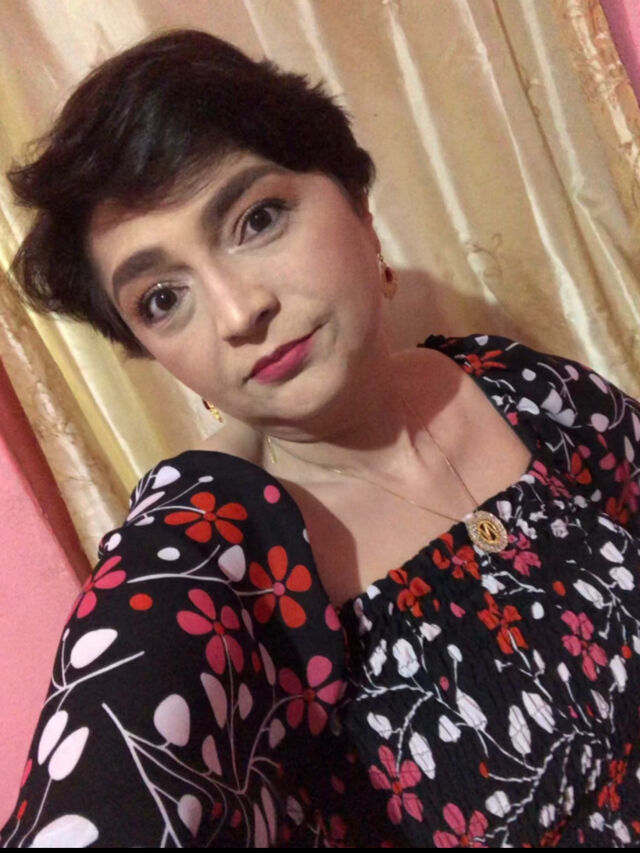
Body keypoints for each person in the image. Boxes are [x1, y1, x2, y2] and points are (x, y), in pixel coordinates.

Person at [1, 28, 639, 849]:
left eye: (257, 218)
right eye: (163, 298)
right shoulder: (217, 563)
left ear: (358, 207)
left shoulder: (515, 386)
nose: (239, 312)